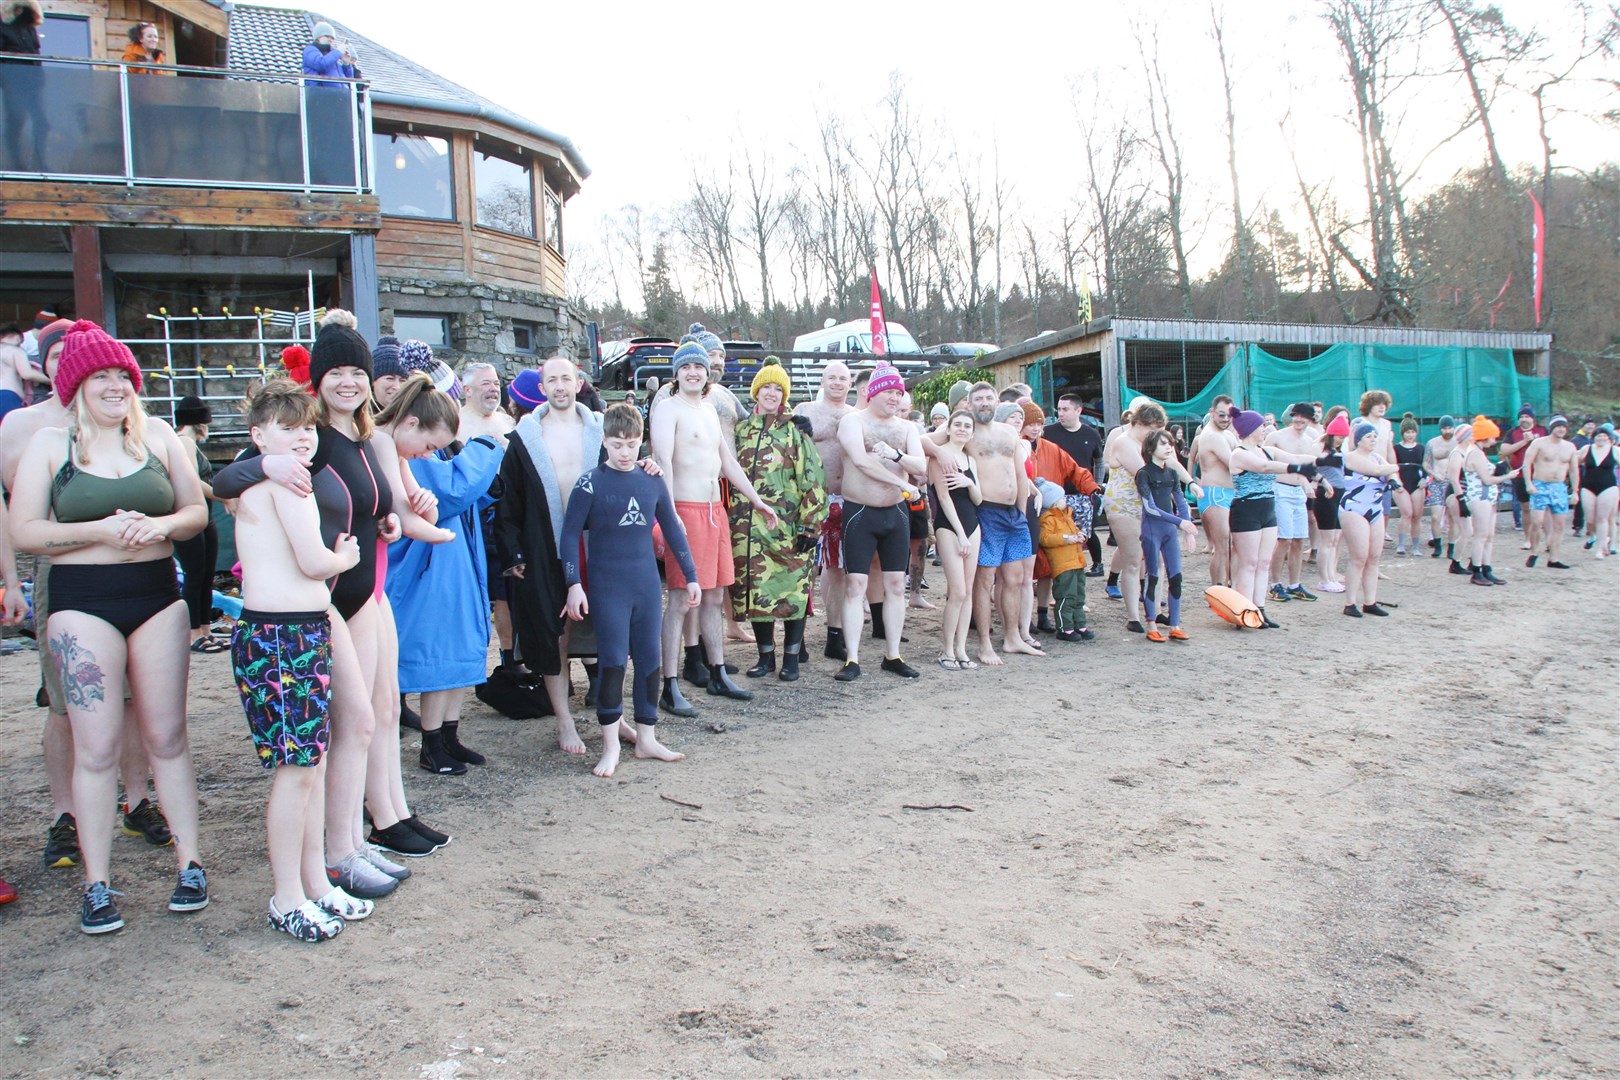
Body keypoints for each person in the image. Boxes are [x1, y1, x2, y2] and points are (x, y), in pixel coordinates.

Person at [214, 318, 448, 892]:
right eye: (335, 372)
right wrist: (263, 465)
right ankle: (338, 853)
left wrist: (395, 516)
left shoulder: (369, 438)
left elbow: (369, 510)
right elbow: (223, 481)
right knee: (349, 726)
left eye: (356, 372)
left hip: (359, 589)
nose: (347, 382)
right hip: (319, 597)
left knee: (367, 720)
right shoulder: (302, 435)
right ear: (317, 380)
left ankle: (350, 843)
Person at [9, 320, 211, 934]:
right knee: (95, 746)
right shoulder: (51, 445)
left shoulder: (157, 436)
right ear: (75, 385)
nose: (115, 384)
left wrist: (162, 527)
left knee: (167, 738)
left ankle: (191, 864)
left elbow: (196, 510)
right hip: (81, 602)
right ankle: (97, 883)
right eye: (101, 376)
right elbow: (24, 532)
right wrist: (99, 532)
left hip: (156, 597)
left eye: (123, 374)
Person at [229, 379, 365, 942]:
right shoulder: (282, 485)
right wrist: (345, 555)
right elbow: (313, 562)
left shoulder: (285, 481)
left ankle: (316, 883)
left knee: (309, 766)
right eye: (288, 429)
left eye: (308, 427)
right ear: (259, 436)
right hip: (280, 639)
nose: (303, 437)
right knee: (296, 770)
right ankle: (287, 895)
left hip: (301, 633)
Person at [561, 404, 697, 778]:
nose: (625, 452)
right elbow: (570, 535)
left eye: (632, 444)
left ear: (642, 443)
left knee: (650, 659)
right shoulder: (590, 482)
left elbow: (672, 529)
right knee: (613, 662)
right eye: (617, 444)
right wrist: (574, 584)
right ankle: (608, 746)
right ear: (604, 442)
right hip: (608, 588)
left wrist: (691, 575)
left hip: (645, 587)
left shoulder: (651, 480)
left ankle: (647, 738)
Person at [381, 374, 503, 776]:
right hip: (430, 569)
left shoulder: (418, 451)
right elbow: (452, 492)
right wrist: (486, 446)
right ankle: (432, 745)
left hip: (456, 561)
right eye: (431, 443)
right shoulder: (404, 456)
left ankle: (448, 737)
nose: (429, 451)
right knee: (439, 653)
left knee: (458, 652)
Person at [651, 341, 777, 704]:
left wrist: (758, 501)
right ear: (676, 373)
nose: (693, 372)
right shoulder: (668, 409)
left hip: (713, 511)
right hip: (684, 510)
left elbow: (728, 462)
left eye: (699, 367)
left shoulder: (708, 410)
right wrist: (670, 513)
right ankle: (669, 685)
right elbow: (664, 460)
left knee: (713, 595)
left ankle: (718, 672)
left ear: (707, 373)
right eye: (686, 366)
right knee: (679, 599)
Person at [494, 356, 609, 751]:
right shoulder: (525, 438)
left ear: (578, 383)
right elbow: (507, 502)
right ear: (541, 388)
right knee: (552, 633)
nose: (560, 386)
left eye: (566, 378)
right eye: (552, 380)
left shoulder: (600, 431)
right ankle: (564, 720)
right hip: (544, 547)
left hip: (595, 546)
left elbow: (627, 472)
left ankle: (613, 718)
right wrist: (513, 554)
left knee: (605, 629)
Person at [730, 361, 828, 682]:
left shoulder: (794, 431)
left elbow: (813, 480)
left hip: (788, 530)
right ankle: (765, 657)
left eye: (777, 388)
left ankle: (791, 658)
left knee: (792, 595)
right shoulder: (740, 431)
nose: (771, 393)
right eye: (766, 387)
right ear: (756, 391)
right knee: (758, 592)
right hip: (748, 533)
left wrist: (811, 526)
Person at [927, 382, 1038, 664]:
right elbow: (921, 442)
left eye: (990, 398)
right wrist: (939, 452)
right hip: (985, 510)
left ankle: (1012, 637)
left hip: (1014, 514)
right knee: (984, 579)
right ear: (970, 403)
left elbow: (1019, 474)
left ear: (997, 400)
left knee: (1014, 578)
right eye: (979, 399)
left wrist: (1022, 511)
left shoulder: (1008, 432)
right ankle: (984, 643)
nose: (985, 403)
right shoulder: (965, 429)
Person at [834, 363, 925, 680]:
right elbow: (859, 460)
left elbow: (921, 466)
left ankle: (893, 654)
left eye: (898, 392)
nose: (894, 397)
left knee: (896, 585)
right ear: (872, 392)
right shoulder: (852, 421)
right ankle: (853, 659)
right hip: (860, 511)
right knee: (855, 584)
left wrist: (898, 457)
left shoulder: (907, 427)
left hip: (895, 514)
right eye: (888, 391)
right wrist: (904, 483)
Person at [1227, 409, 1318, 628]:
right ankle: (1245, 611)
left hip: (1267, 509)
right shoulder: (1238, 454)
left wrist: (1327, 459)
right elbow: (1263, 467)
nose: (1265, 429)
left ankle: (1260, 609)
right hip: (1246, 510)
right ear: (1250, 429)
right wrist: (1296, 468)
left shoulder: (1266, 450)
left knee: (1264, 562)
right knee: (1249, 563)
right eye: (1260, 426)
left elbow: (1297, 457)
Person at [794, 361, 855, 660]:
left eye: (843, 378)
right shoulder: (806, 409)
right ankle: (798, 637)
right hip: (810, 500)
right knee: (806, 569)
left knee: (839, 568)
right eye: (831, 377)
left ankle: (835, 634)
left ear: (850, 382)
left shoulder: (856, 416)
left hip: (845, 499)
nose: (837, 383)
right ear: (822, 380)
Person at [1025, 402, 1099, 634]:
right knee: (1025, 570)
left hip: (1050, 513)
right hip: (1026, 512)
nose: (1035, 428)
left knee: (1048, 569)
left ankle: (1043, 614)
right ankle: (1024, 619)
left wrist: (1092, 489)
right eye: (1030, 423)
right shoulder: (1017, 448)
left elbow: (1075, 470)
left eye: (1039, 423)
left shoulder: (1051, 448)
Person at [1101, 400, 1164, 632]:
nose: (1154, 434)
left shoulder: (1153, 443)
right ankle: (1133, 616)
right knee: (1134, 558)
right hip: (1125, 504)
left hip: (1148, 503)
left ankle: (1155, 611)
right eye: (1151, 428)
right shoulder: (1123, 441)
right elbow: (1145, 473)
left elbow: (1171, 464)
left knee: (1157, 560)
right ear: (1138, 423)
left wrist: (1188, 482)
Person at [930, 408, 982, 667]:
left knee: (968, 591)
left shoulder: (970, 460)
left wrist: (969, 483)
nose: (962, 429)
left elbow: (979, 498)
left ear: (972, 432)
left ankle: (962, 649)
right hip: (949, 527)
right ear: (948, 428)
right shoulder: (940, 457)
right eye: (957, 424)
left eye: (967, 426)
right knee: (957, 591)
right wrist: (961, 535)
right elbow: (942, 497)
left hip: (973, 525)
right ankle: (947, 650)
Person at [172, 395, 223, 653]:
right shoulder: (184, 442)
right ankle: (193, 633)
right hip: (192, 517)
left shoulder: (190, 444)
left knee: (205, 576)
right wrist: (224, 496)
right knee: (195, 575)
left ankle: (204, 629)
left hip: (205, 516)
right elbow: (193, 481)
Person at [1136, 431, 1198, 642]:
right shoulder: (1143, 473)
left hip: (1169, 531)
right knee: (1153, 576)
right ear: (1151, 448)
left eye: (1170, 443)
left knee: (1176, 576)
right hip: (1153, 529)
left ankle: (1175, 624)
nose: (1168, 447)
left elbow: (1180, 500)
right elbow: (1150, 508)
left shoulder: (1171, 473)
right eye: (1163, 444)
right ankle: (1152, 623)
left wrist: (1186, 526)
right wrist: (1181, 522)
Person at [1339, 420, 1402, 617]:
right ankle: (1350, 603)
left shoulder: (1378, 457)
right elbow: (1377, 471)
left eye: (1375, 436)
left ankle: (1370, 601)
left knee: (1374, 556)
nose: (1373, 440)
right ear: (1358, 440)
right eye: (1369, 436)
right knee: (1359, 556)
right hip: (1354, 508)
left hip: (1375, 508)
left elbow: (1392, 473)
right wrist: (1393, 469)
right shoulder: (1350, 457)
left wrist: (1393, 476)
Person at [1264, 402, 1320, 604]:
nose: (1299, 420)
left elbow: (1310, 467)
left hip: (1299, 493)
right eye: (1296, 415)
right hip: (1280, 489)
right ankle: (1274, 584)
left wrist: (1311, 483)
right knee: (1284, 539)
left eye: (1303, 416)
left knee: (1299, 539)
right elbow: (1265, 462)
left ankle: (1295, 584)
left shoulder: (1312, 439)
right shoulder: (1276, 437)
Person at [1043, 393, 1105, 571]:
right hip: (1057, 493)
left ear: (1078, 410)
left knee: (1087, 530)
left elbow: (1099, 462)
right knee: (1058, 532)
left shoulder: (1091, 433)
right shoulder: (1049, 432)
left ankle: (1097, 564)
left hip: (1084, 492)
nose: (1060, 413)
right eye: (1059, 409)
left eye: (1065, 409)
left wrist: (1097, 486)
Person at [300, 21, 360, 188]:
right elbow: (320, 64)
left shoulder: (333, 57)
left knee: (339, 140)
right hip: (321, 101)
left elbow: (345, 80)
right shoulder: (311, 50)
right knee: (324, 140)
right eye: (328, 37)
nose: (331, 41)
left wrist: (347, 63)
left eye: (333, 38)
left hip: (337, 103)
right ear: (319, 37)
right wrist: (338, 52)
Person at [1456, 417, 1513, 585]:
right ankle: (1477, 570)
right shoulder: (1475, 453)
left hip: (1487, 497)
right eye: (1492, 437)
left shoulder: (1477, 453)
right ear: (1485, 436)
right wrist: (1507, 475)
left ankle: (1486, 568)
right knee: (1481, 536)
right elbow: (1487, 480)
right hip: (1480, 496)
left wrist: (1498, 470)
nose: (1494, 440)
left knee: (1488, 536)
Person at [1192, 395, 1238, 587]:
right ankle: (1217, 588)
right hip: (1215, 494)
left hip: (1229, 493)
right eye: (1221, 415)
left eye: (1230, 415)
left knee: (1232, 545)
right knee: (1223, 546)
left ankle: (1231, 585)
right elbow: (1235, 464)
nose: (1226, 419)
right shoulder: (1211, 436)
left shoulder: (1227, 434)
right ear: (1212, 413)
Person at [1523, 415, 1579, 569]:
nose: (1561, 429)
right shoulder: (1539, 443)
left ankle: (1554, 558)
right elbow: (1526, 463)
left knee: (1560, 525)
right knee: (1537, 522)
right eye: (1558, 426)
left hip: (1559, 487)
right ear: (1552, 428)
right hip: (1540, 485)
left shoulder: (1570, 447)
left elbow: (1574, 470)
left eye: (1564, 427)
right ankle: (1534, 551)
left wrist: (1575, 491)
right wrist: (1528, 483)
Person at [0, 0, 48, 172]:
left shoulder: (29, 28)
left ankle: (40, 162)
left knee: (42, 122)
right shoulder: (3, 26)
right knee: (16, 121)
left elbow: (35, 53)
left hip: (31, 82)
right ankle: (15, 164)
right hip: (12, 80)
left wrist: (40, 77)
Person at [1311, 413, 1349, 593]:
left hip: (1338, 495)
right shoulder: (1322, 451)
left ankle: (1331, 576)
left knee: (1334, 539)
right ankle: (1324, 579)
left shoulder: (1338, 452)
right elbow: (1310, 464)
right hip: (1326, 495)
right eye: (1339, 436)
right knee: (1327, 540)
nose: (1341, 440)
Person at [1500, 406, 1544, 547]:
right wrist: (1524, 442)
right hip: (1519, 475)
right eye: (1521, 417)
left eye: (1527, 416)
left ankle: (1546, 539)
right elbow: (1504, 450)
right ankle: (1528, 539)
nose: (1524, 419)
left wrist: (1534, 441)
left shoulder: (1542, 431)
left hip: (1540, 474)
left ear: (1533, 418)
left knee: (1543, 507)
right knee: (1525, 507)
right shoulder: (1513, 432)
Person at [1422, 416, 1459, 559]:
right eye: (1444, 428)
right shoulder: (1432, 443)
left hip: (1452, 482)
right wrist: (1433, 473)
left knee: (1452, 518)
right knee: (1436, 516)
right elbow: (1425, 463)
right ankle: (1437, 546)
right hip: (1437, 482)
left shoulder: (1458, 442)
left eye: (1449, 428)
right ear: (1440, 428)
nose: (1447, 431)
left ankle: (1451, 547)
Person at [1391, 415, 1428, 556]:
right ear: (1403, 433)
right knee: (1406, 513)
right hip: (1402, 484)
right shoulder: (1396, 448)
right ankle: (1401, 545)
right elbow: (1393, 466)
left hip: (1417, 484)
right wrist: (1397, 481)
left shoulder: (1420, 448)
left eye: (1413, 432)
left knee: (1417, 516)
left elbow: (1425, 466)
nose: (1410, 435)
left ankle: (1416, 546)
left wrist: (1424, 479)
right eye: (1408, 432)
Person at [1578, 425, 1617, 557]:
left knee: (1603, 518)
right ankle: (1599, 537)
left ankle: (1601, 548)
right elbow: (1573, 462)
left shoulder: (1614, 450)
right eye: (1598, 436)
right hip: (1588, 486)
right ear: (1593, 438)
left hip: (1608, 486)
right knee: (1590, 519)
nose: (1601, 438)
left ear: (1608, 438)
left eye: (1604, 436)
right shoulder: (1586, 449)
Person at [0, 329, 49, 423]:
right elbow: (27, 373)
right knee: (14, 434)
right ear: (13, 335)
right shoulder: (15, 350)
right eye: (20, 340)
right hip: (7, 397)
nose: (21, 343)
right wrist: (52, 380)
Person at [369, 336, 406, 408]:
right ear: (373, 381)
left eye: (403, 380)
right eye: (390, 378)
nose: (397, 387)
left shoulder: (417, 414)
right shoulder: (358, 415)